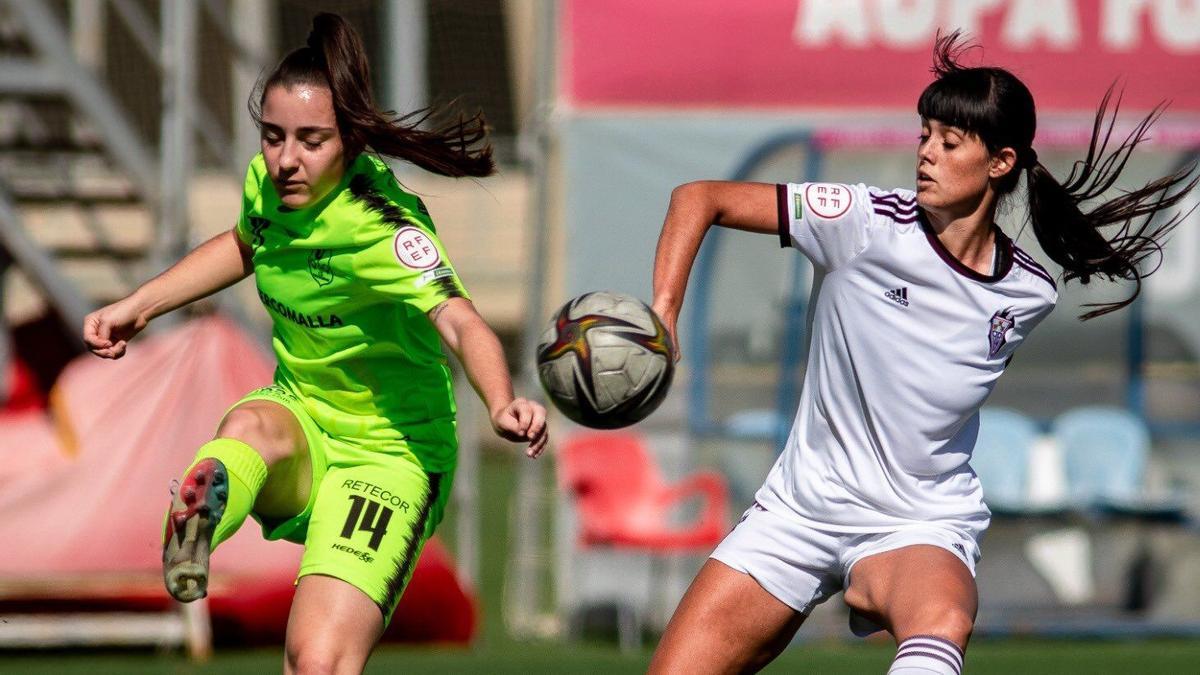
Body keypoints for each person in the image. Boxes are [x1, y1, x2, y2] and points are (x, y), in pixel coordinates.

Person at [646, 32, 1196, 675]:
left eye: (949, 142)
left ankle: (882, 591)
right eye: (924, 136)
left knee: (942, 622)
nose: (926, 154)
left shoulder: (1028, 293)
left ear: (1000, 162)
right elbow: (698, 198)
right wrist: (664, 309)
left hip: (915, 523)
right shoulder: (861, 221)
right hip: (799, 512)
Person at [82, 13, 547, 674]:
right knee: (249, 424)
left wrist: (500, 402)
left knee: (317, 660)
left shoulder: (382, 227)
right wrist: (141, 304)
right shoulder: (267, 187)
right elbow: (247, 243)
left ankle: (210, 499)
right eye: (273, 137)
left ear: (351, 141)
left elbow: (462, 321)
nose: (285, 159)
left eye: (310, 140)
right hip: (302, 417)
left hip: (388, 456)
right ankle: (198, 514)